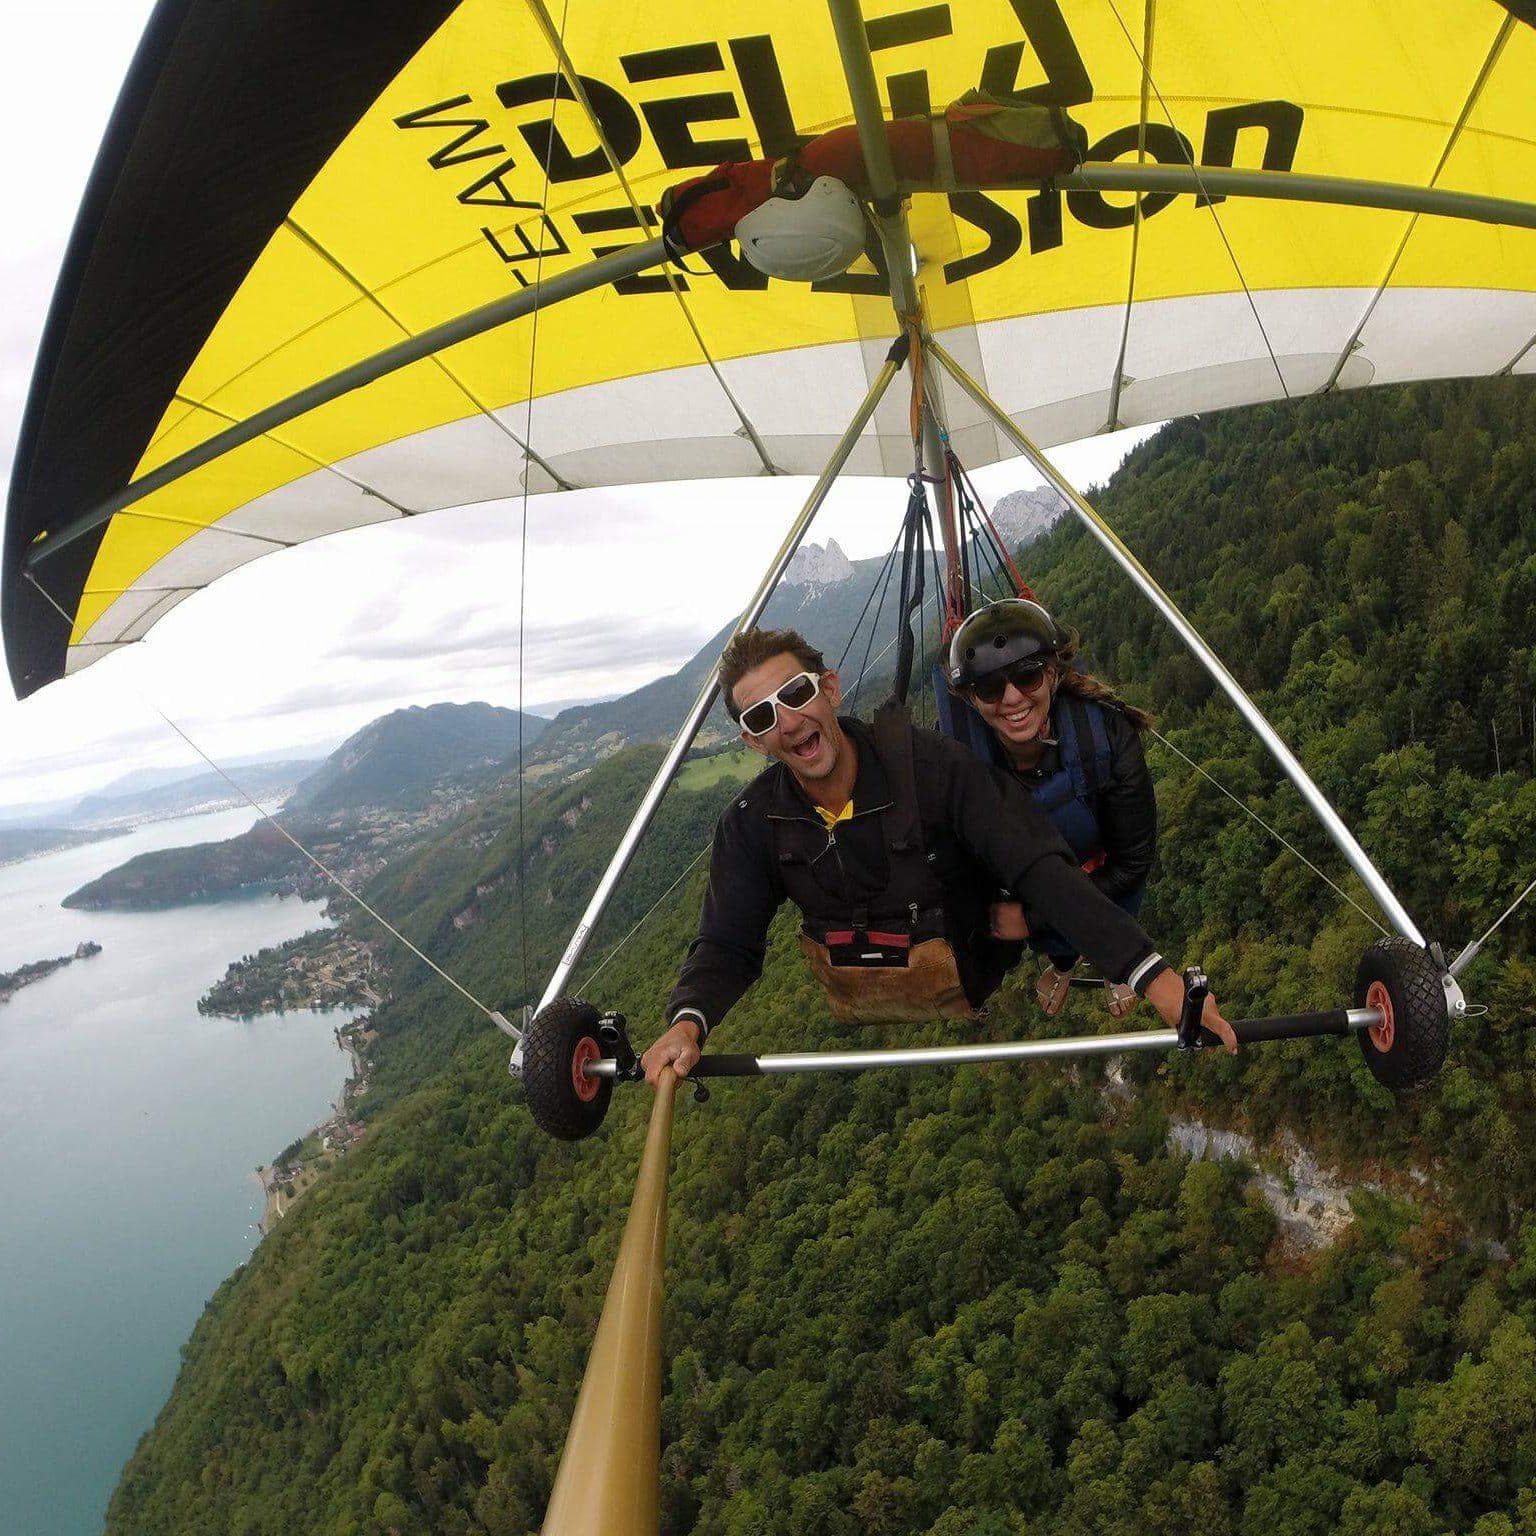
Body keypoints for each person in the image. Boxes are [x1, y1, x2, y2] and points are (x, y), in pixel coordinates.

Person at [640, 627, 1234, 1084]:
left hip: (966, 962)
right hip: (863, 984)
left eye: (795, 693)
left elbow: (1037, 867)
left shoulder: (931, 769)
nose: (789, 720)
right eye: (763, 715)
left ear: (829, 687)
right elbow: (727, 942)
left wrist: (1152, 976)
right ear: (752, 739)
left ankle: (1062, 960)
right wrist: (688, 1020)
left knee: (1039, 884)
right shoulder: (754, 823)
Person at [946, 599, 1156, 1019]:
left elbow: (1132, 864)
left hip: (1104, 873)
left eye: (1026, 676)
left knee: (1105, 918)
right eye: (989, 687)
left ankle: (1117, 968)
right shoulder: (957, 760)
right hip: (1032, 879)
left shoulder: (1105, 738)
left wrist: (1032, 919)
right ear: (971, 699)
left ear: (1051, 673)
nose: (1010, 698)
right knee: (1053, 937)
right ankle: (1062, 964)